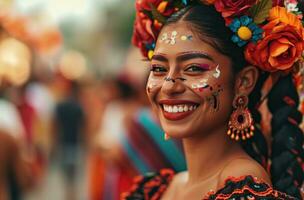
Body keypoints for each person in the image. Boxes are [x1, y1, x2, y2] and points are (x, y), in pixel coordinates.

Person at [123, 0, 304, 199]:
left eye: (194, 68)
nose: (168, 85)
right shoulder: (157, 189)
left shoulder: (245, 190)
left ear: (243, 81)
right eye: (158, 69)